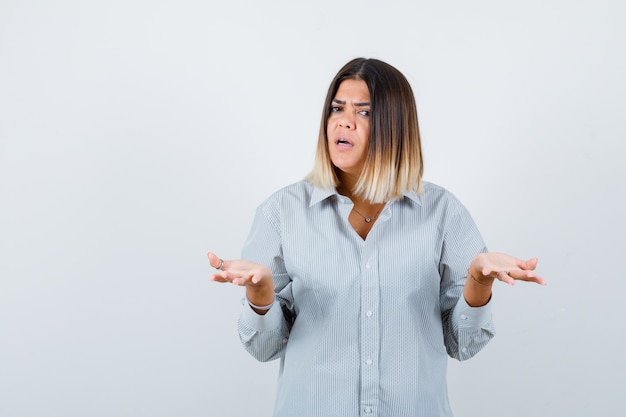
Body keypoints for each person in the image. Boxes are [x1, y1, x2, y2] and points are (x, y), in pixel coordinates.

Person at [208, 58, 545, 417]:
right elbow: (263, 348)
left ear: (395, 127)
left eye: (364, 112)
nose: (344, 120)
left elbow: (463, 344)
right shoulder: (281, 213)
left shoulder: (443, 213)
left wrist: (478, 284)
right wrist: (260, 299)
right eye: (337, 108)